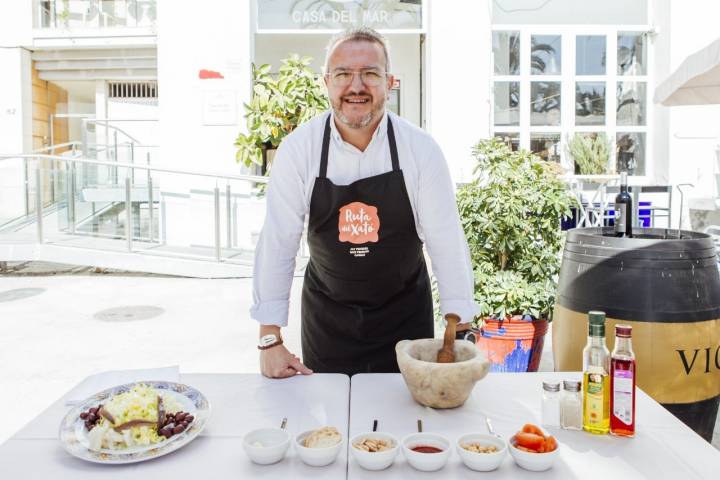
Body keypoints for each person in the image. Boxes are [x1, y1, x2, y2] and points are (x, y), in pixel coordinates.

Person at [251, 27, 478, 378]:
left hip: (405, 319)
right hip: (328, 321)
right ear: (326, 82)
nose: (356, 87)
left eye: (370, 74)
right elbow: (278, 242)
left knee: (408, 429)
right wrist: (269, 338)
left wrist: (460, 332)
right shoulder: (299, 150)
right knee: (329, 430)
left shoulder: (420, 150)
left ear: (390, 83)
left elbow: (446, 240)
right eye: (343, 74)